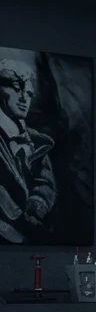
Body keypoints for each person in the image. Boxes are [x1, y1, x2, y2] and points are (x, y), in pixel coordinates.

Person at [0, 58, 57, 243]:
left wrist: (36, 206)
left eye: (29, 93)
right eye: (16, 88)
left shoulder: (36, 140)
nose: (24, 98)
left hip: (31, 232)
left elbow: (46, 181)